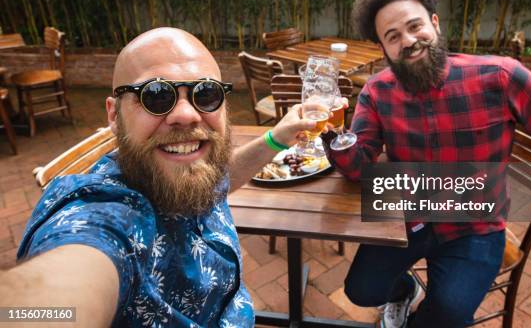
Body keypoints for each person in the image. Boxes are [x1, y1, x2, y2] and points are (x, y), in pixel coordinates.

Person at [321, 0, 531, 328]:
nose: (408, 41)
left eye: (415, 26)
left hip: (476, 225)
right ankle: (404, 292)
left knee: (448, 315)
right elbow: (360, 166)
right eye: (393, 36)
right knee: (361, 291)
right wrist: (333, 134)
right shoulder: (377, 92)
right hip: (409, 214)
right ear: (384, 49)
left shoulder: (500, 75)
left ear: (435, 23)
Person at [0, 28, 318, 327]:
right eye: (156, 96)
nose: (186, 114)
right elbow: (60, 288)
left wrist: (277, 137)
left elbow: (219, 182)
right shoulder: (103, 213)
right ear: (114, 114)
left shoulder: (192, 168)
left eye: (205, 93)